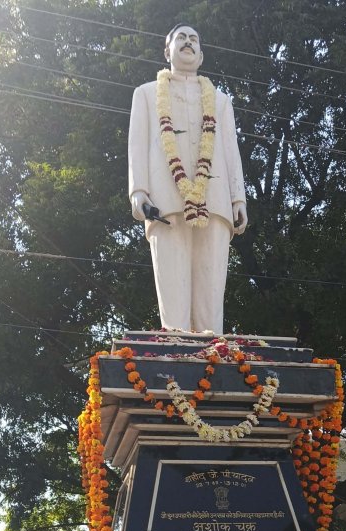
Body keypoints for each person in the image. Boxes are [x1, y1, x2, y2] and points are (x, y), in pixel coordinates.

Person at [128, 23, 247, 334]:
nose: (188, 42)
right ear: (167, 51)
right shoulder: (146, 94)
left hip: (215, 199)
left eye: (194, 39)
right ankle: (176, 355)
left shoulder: (220, 100)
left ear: (201, 55)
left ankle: (212, 360)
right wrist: (138, 192)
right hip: (164, 200)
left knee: (210, 286)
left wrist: (238, 197)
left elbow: (231, 150)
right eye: (180, 38)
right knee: (173, 283)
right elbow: (137, 144)